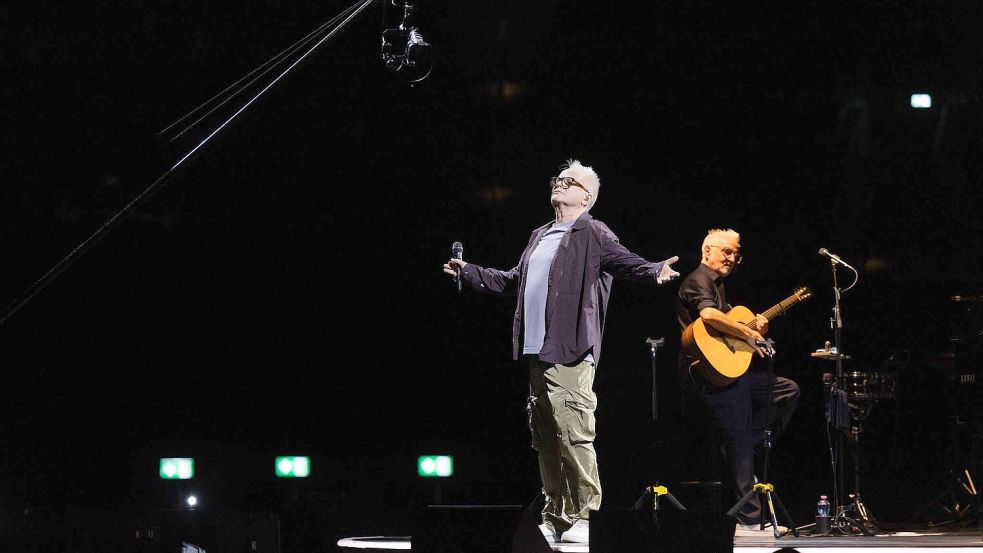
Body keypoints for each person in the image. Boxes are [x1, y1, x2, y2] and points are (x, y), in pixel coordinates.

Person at [442, 159, 680, 543]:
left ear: (586, 197)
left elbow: (626, 262)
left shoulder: (594, 232)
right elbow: (512, 281)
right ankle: (557, 514)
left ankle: (587, 515)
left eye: (569, 182)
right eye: (559, 179)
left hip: (569, 349)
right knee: (546, 436)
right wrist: (469, 270)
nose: (560, 184)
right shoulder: (540, 234)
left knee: (574, 432)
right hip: (537, 349)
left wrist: (654, 270)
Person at [675, 228, 800, 536]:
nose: (732, 259)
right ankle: (747, 519)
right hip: (708, 375)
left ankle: (747, 445)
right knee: (739, 437)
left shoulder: (719, 286)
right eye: (726, 252)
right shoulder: (697, 280)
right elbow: (709, 317)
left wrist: (756, 327)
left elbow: (731, 323)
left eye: (735, 254)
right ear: (707, 251)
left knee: (786, 390)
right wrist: (748, 333)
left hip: (732, 371)